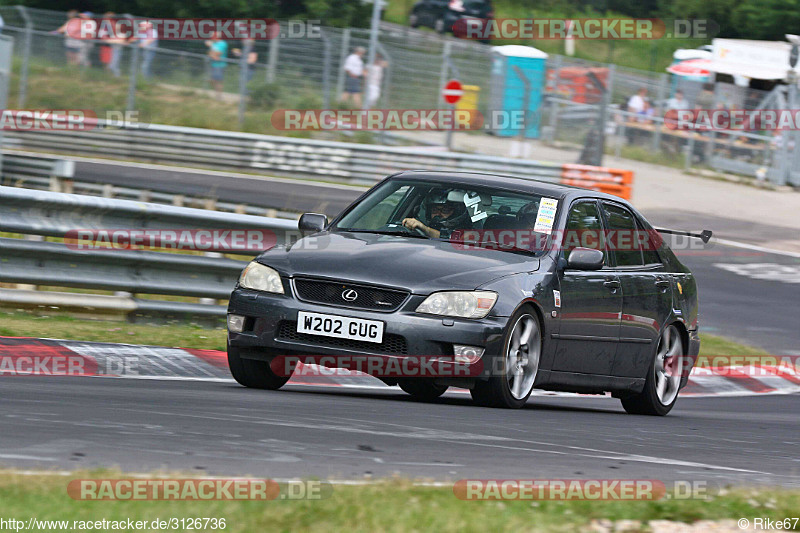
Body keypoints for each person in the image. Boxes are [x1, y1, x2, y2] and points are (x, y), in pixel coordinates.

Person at [402, 189, 470, 239]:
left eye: (445, 210)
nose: (438, 214)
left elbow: (452, 239)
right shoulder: (419, 225)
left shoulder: (468, 231)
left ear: (457, 212)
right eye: (434, 210)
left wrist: (426, 230)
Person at [206, 31, 229, 98]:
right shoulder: (215, 44)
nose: (211, 38)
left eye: (212, 36)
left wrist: (211, 46)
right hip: (214, 64)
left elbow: (216, 55)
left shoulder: (222, 44)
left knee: (218, 81)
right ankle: (217, 94)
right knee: (212, 80)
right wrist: (212, 53)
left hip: (220, 65)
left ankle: (219, 96)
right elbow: (210, 54)